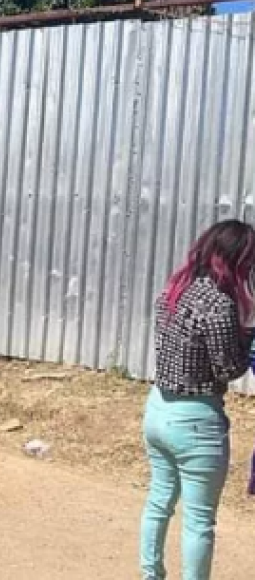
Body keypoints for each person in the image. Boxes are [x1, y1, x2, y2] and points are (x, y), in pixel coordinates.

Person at [140, 220, 255, 580]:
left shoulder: (174, 289)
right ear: (235, 259)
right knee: (200, 521)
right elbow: (227, 368)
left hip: (158, 408)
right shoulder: (218, 302)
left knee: (159, 504)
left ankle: (150, 575)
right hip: (196, 422)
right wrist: (248, 339)